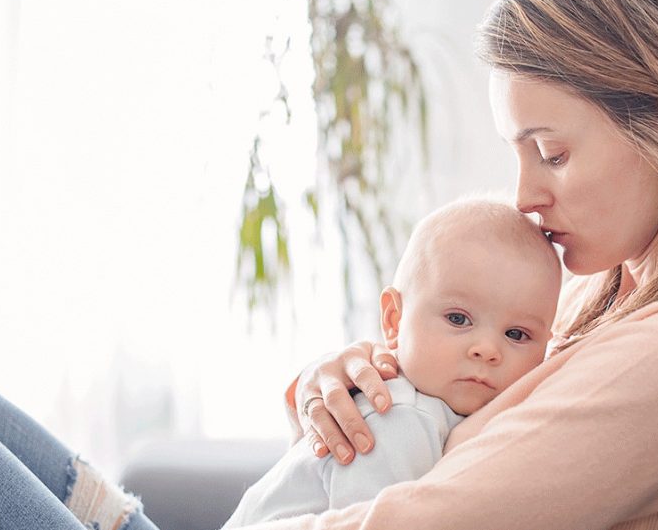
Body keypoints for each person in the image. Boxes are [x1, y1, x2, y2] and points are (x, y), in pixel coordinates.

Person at [0, 0, 658, 529]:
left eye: (553, 151)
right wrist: (352, 381)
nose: (525, 194)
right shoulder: (596, 307)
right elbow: (437, 440)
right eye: (516, 154)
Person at [222, 198, 561, 526]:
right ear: (394, 320)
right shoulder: (398, 416)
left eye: (516, 334)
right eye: (458, 319)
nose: (487, 349)